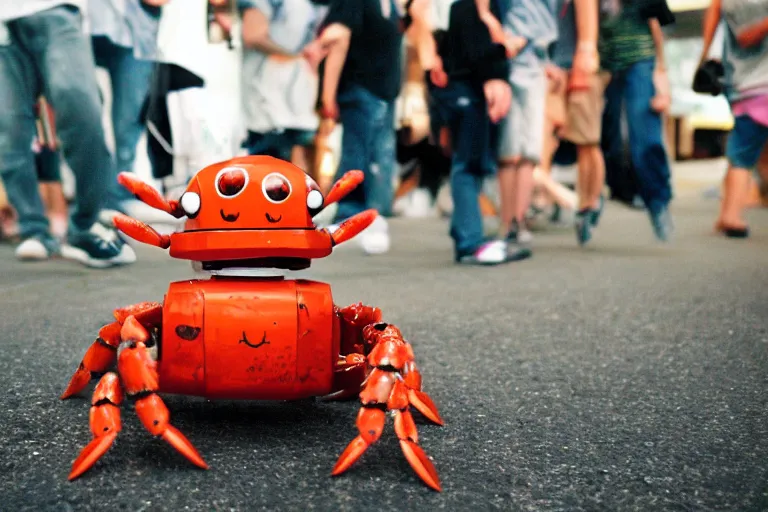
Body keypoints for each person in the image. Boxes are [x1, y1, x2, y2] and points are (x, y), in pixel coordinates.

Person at [0, 1, 136, 267]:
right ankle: (33, 229)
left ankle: (86, 224)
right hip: (3, 23)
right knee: (9, 130)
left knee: (82, 113)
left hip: (59, 9)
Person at [414, 0, 522, 265]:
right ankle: (470, 242)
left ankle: (465, 232)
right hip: (465, 91)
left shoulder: (472, 8)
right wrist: (496, 73)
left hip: (462, 90)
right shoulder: (465, 7)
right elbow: (477, 50)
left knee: (469, 164)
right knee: (467, 165)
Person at [302, 0, 406, 254]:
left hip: (382, 93)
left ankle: (367, 214)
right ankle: (349, 216)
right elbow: (337, 38)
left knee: (374, 157)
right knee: (358, 156)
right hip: (361, 90)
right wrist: (327, 96)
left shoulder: (391, 6)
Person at [88, 0, 179, 226]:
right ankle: (91, 200)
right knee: (85, 116)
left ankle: (118, 197)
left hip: (138, 31)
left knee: (128, 123)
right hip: (84, 24)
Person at [476, 0, 558, 251]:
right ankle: (507, 222)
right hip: (508, 66)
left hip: (533, 67)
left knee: (528, 151)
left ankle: (518, 220)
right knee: (509, 151)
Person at [599, 0, 674, 242]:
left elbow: (655, 25)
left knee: (644, 139)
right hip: (607, 68)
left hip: (640, 63)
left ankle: (658, 200)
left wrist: (661, 74)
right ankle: (620, 191)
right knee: (608, 141)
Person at [699, 0, 768, 239]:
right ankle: (730, 214)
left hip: (745, 85)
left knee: (743, 152)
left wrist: (704, 57)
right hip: (755, 85)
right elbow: (746, 37)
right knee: (743, 152)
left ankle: (729, 212)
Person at [543, 0, 609, 245]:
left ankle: (589, 203)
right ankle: (564, 200)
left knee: (587, 141)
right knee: (555, 139)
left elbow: (587, 13)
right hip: (558, 67)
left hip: (581, 67)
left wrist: (586, 53)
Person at [238, 0, 329, 175]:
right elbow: (253, 35)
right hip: (267, 109)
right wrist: (295, 57)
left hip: (296, 106)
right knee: (269, 178)